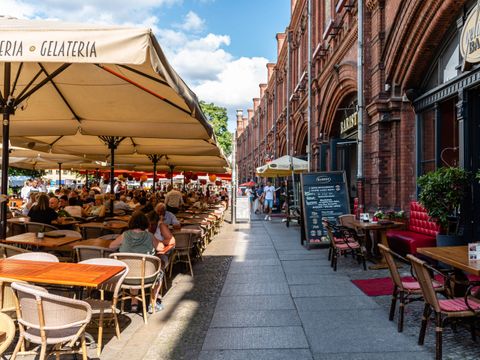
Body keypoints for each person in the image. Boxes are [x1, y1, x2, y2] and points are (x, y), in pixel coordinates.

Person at [109, 211, 171, 313]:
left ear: (131, 223)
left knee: (133, 269)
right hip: (147, 277)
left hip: (126, 276)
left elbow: (111, 246)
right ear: (146, 224)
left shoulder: (125, 235)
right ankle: (153, 303)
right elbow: (161, 247)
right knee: (159, 272)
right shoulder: (150, 236)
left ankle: (134, 304)